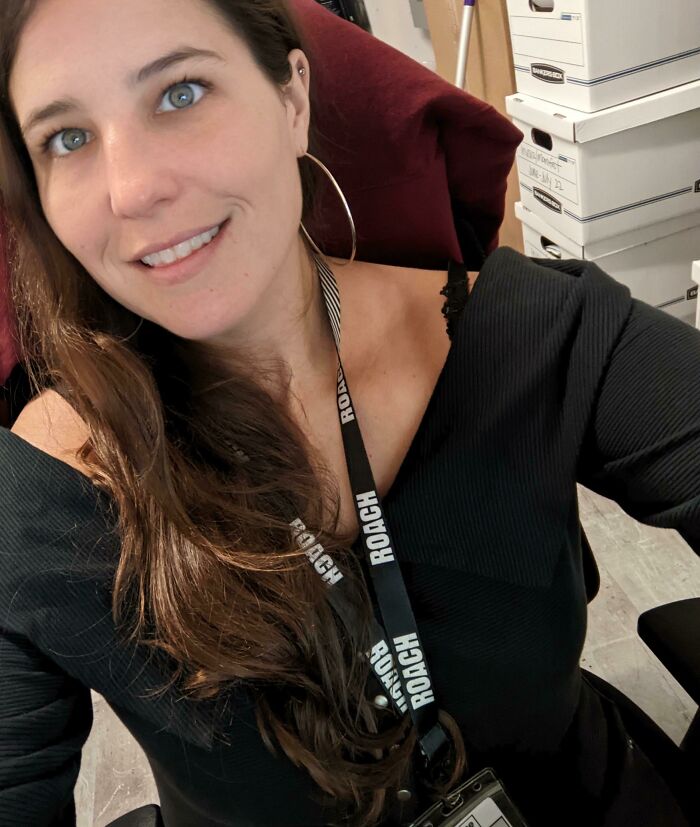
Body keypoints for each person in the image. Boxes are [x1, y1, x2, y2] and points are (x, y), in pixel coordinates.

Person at [0, 1, 698, 826]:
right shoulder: (42, 496)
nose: (135, 189)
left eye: (181, 92)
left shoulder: (531, 338)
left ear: (293, 98)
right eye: (68, 138)